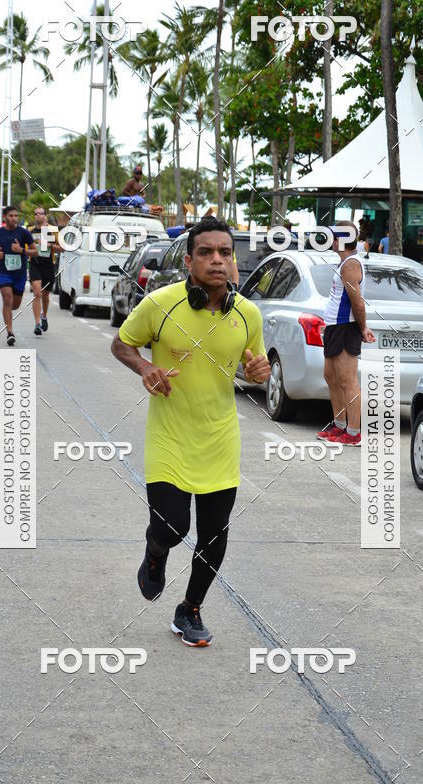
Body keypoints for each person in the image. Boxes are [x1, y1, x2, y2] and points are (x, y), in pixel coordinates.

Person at [111, 218, 270, 647]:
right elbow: (122, 344)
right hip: (170, 437)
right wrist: (146, 367)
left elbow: (253, 370)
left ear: (232, 259)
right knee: (174, 527)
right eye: (206, 252)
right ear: (189, 260)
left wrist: (259, 371)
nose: (217, 260)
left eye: (224, 252)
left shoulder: (248, 315)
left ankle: (190, 610)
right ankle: (156, 549)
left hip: (220, 438)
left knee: (215, 535)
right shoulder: (160, 303)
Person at [316, 222, 376, 447]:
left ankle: (354, 432)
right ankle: (339, 425)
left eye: (333, 237)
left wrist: (362, 328)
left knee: (348, 380)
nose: (331, 241)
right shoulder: (344, 263)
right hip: (334, 326)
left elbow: (357, 302)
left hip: (344, 326)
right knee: (331, 376)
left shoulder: (350, 265)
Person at [0, 206, 37, 346]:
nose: (14, 218)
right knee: (7, 299)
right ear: (5, 217)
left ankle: (8, 314)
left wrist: (21, 250)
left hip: (19, 274)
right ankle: (9, 332)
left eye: (16, 215)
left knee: (15, 305)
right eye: (11, 216)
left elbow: (35, 251)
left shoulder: (24, 233)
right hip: (4, 272)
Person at [28, 205, 60, 336]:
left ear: (45, 215)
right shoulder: (30, 230)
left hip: (48, 265)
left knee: (45, 295)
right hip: (34, 263)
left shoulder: (52, 231)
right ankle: (37, 324)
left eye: (39, 213)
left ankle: (44, 316)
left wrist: (50, 245)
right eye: (35, 214)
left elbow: (62, 248)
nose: (37, 216)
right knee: (37, 293)